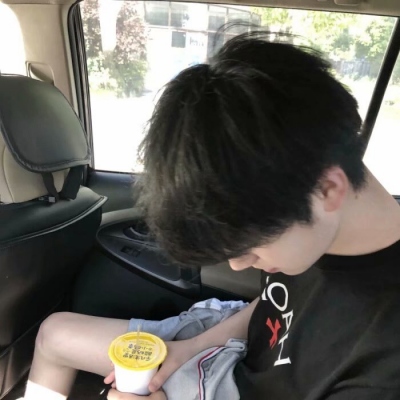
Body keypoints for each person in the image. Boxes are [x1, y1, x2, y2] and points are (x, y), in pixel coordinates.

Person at [21, 31, 400, 400]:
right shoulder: (312, 224)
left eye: (251, 247)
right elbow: (276, 304)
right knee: (55, 333)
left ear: (327, 190)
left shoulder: (385, 363)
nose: (238, 265)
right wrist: (194, 347)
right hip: (231, 345)